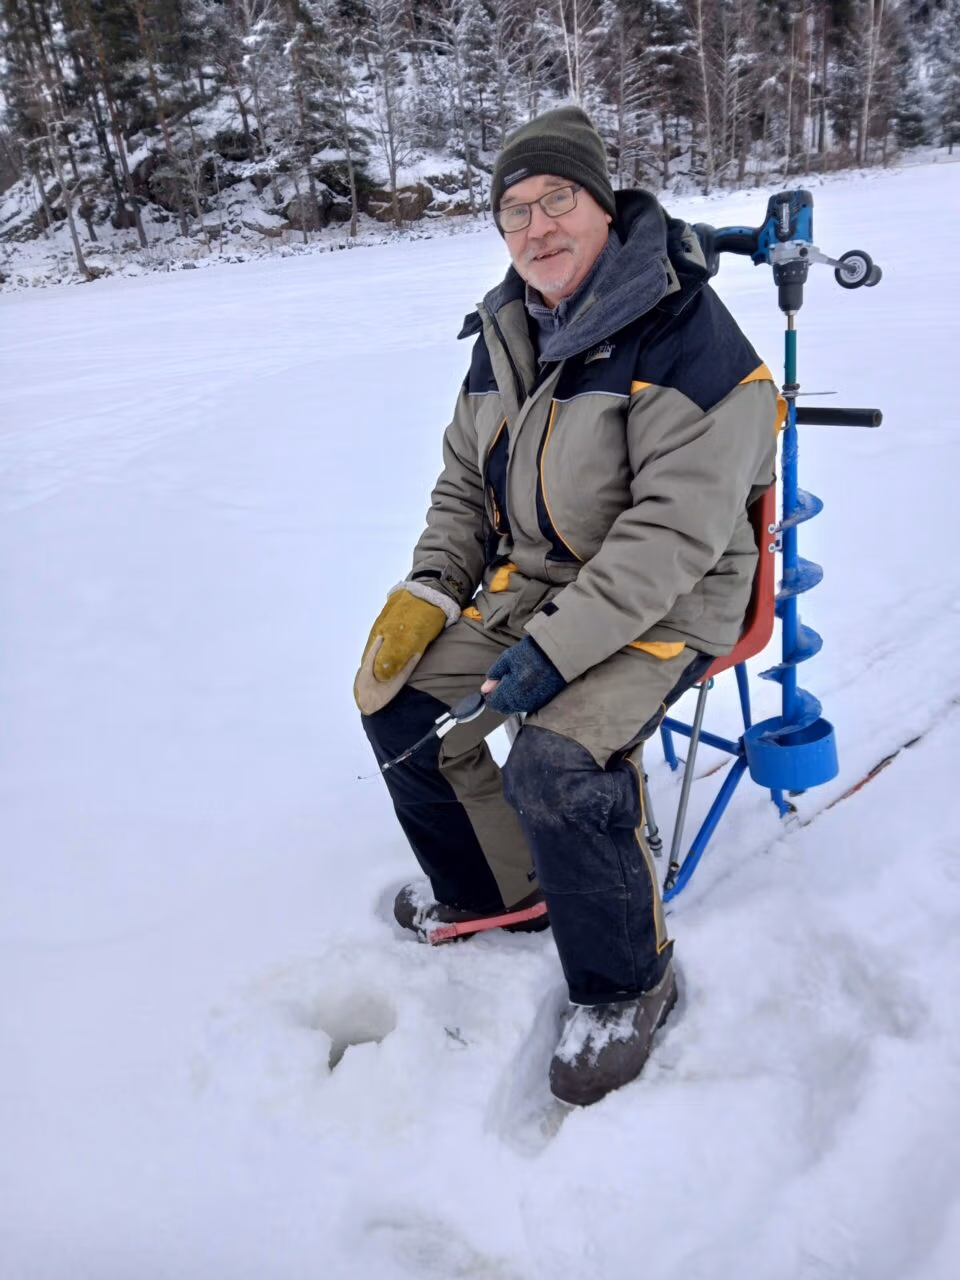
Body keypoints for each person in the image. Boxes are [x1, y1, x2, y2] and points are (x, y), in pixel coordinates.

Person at [355, 106, 778, 1107]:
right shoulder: (506, 332)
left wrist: (553, 651)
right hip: (540, 588)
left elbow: (671, 534)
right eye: (516, 211)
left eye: (559, 201)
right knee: (395, 695)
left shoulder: (688, 336)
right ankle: (501, 891)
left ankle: (628, 983)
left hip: (673, 596)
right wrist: (429, 589)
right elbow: (464, 487)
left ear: (604, 207)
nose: (538, 227)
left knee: (556, 755)